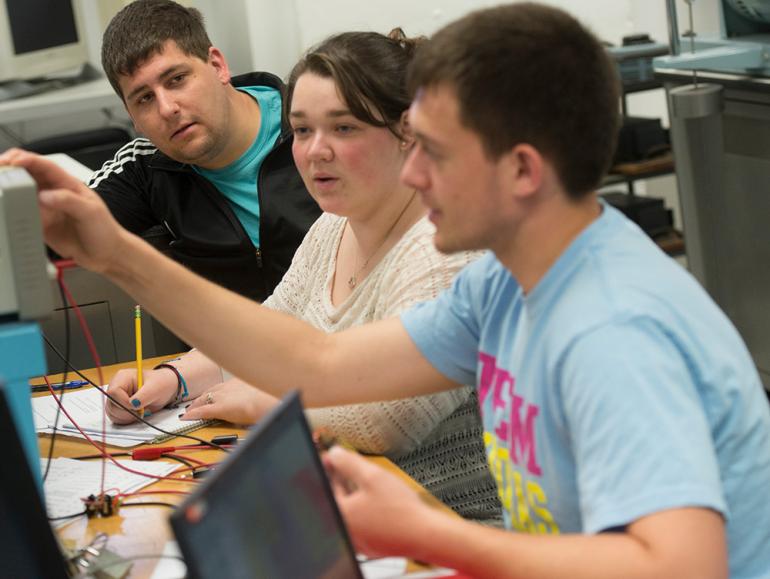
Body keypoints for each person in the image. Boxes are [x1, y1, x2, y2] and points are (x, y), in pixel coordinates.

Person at [6, 3, 770, 578]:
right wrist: (115, 254)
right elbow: (321, 361)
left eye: (432, 151)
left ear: (523, 170)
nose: (409, 173)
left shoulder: (611, 327)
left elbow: (682, 564)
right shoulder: (505, 285)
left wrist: (423, 532)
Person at [99, 29, 502, 524]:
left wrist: (264, 402)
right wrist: (173, 379)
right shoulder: (333, 228)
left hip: (454, 532)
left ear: (408, 132)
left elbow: (385, 422)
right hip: (348, 514)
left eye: (344, 128)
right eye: (303, 130)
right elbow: (266, 331)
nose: (315, 152)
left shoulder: (451, 250)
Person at [89, 0, 320, 301]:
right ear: (131, 116)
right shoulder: (146, 168)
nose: (167, 109)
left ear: (217, 66)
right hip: (222, 347)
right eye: (144, 98)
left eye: (177, 80)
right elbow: (50, 230)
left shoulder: (313, 126)